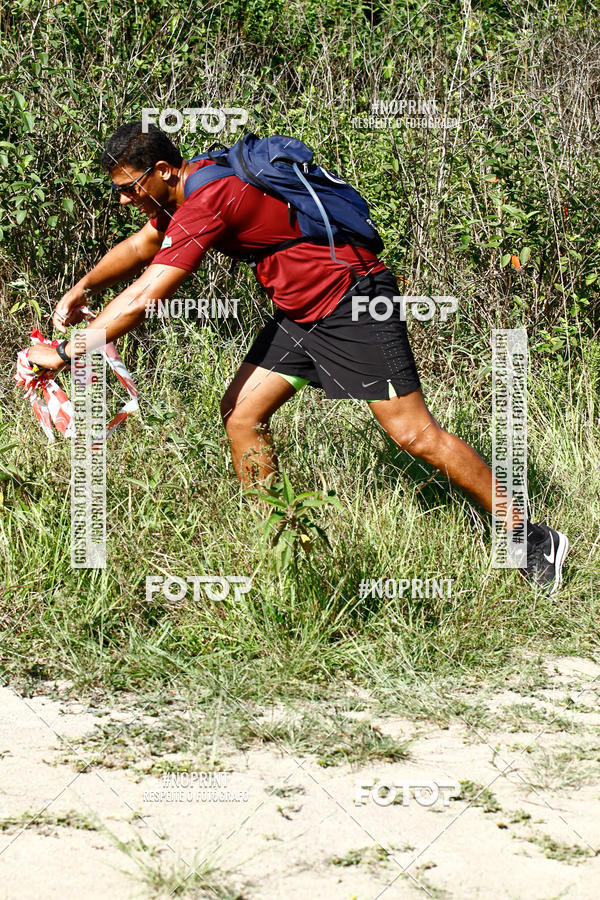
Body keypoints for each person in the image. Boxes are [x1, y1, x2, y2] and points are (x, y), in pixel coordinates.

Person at [27, 122, 569, 593]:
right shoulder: (194, 187)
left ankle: (529, 536)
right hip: (302, 312)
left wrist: (71, 350)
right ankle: (279, 544)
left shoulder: (214, 195)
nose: (124, 199)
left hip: (354, 300)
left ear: (166, 170)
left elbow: (148, 293)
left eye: (130, 187)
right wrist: (83, 286)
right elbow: (143, 247)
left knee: (414, 434)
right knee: (241, 414)